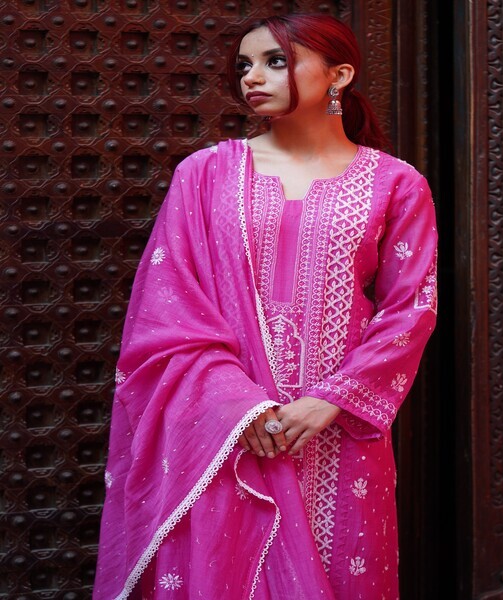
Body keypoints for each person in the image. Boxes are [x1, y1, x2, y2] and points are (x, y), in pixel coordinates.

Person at [94, 14, 437, 600]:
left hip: (337, 431)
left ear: (339, 76)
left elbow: (411, 310)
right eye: (244, 65)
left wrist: (333, 400)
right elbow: (168, 302)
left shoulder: (396, 182)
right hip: (222, 429)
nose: (252, 77)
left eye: (275, 62)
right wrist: (238, 407)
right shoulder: (204, 174)